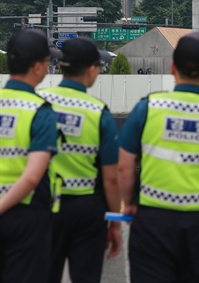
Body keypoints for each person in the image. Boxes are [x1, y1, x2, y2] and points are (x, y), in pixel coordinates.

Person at [118, 32, 199, 282]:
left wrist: (131, 203)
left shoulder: (148, 107)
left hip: (153, 219)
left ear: (172, 68)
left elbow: (124, 166)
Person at [40, 37, 121, 283]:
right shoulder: (98, 112)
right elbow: (110, 179)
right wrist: (114, 223)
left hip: (43, 205)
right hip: (87, 208)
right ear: (92, 69)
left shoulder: (39, 102)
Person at [0, 29, 61, 282]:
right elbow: (32, 176)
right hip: (24, 217)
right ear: (37, 67)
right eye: (48, 62)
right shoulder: (40, 111)